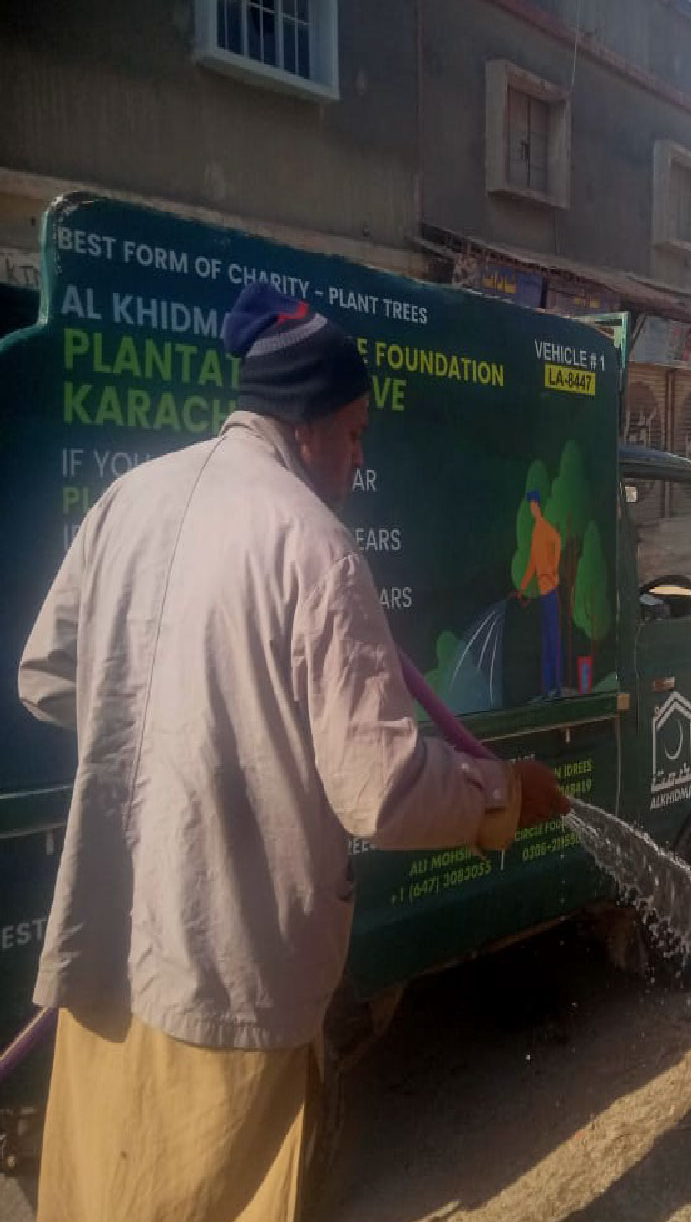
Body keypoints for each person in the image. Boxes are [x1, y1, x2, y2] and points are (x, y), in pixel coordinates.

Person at [18, 282, 568, 1222]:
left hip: (108, 947)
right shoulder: (314, 545)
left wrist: (180, 737)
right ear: (306, 421)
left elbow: (46, 678)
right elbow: (382, 792)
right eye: (353, 436)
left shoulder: (129, 500)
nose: (358, 461)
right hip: (231, 979)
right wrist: (504, 794)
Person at [518, 489, 564, 698]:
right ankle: (546, 689)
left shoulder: (544, 528)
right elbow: (531, 564)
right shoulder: (536, 533)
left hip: (550, 592)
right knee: (545, 643)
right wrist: (522, 588)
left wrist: (553, 567)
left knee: (553, 641)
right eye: (531, 506)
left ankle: (558, 687)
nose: (532, 508)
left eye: (534, 505)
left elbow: (558, 542)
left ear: (539, 506)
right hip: (542, 594)